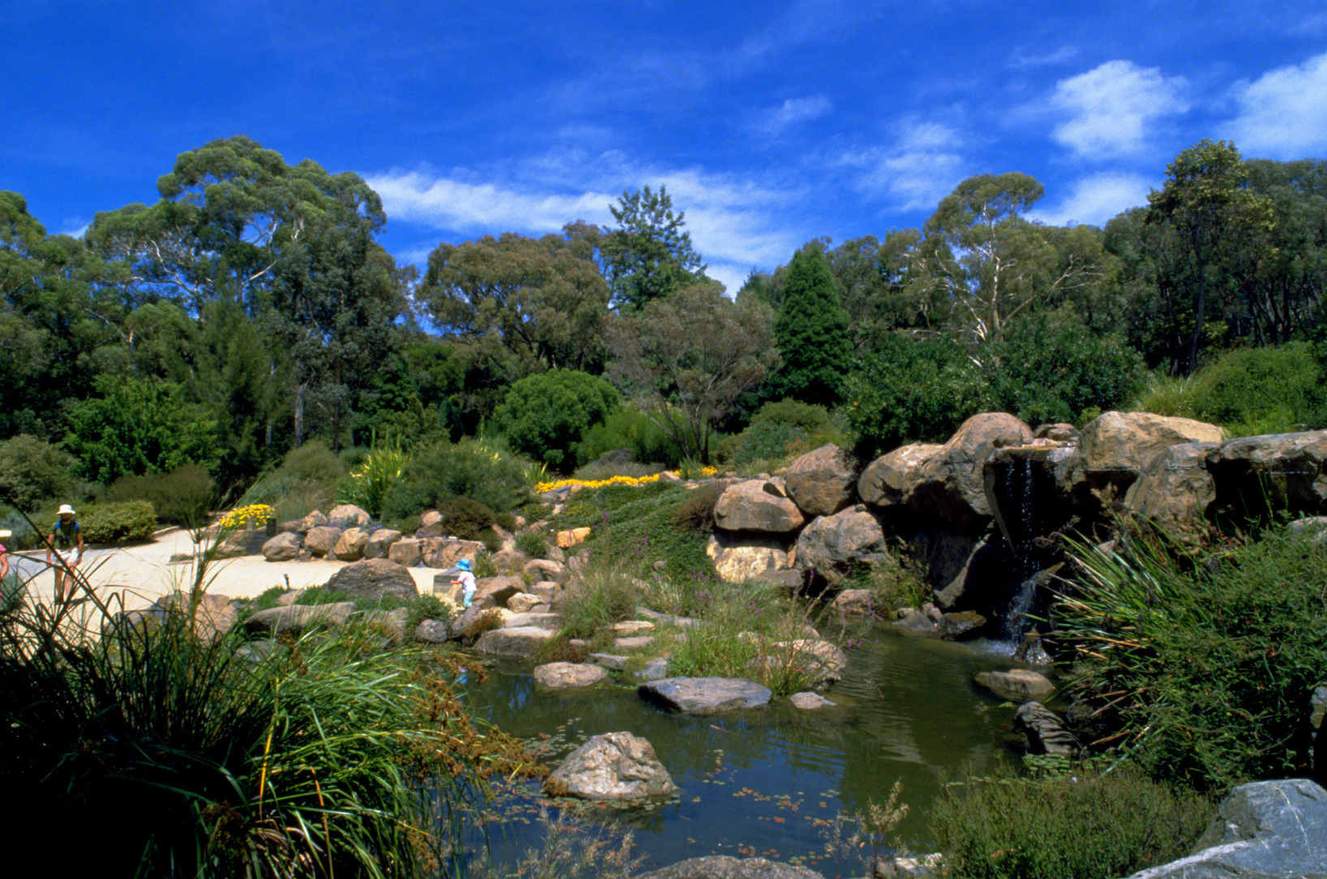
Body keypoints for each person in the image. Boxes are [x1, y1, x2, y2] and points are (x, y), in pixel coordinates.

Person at [47, 504, 84, 602]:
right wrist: (48, 558)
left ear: (70, 515)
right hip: (59, 551)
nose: (65, 516)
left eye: (67, 514)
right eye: (63, 514)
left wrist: (80, 555)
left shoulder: (76, 525)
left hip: (72, 551)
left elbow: (80, 541)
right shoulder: (56, 526)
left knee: (69, 574)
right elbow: (50, 541)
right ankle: (59, 596)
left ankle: (67, 598)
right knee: (58, 575)